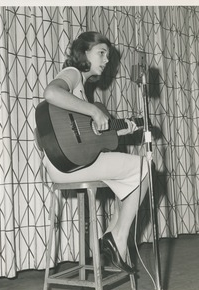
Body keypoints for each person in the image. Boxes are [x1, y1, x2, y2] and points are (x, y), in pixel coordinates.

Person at [42, 31, 148, 274]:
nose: (106, 59)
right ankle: (117, 237)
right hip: (64, 165)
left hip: (69, 163)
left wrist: (121, 129)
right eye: (101, 53)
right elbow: (51, 93)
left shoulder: (82, 89)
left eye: (108, 56)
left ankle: (112, 235)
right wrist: (93, 110)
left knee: (133, 174)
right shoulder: (72, 74)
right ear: (83, 53)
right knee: (143, 168)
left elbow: (90, 139)